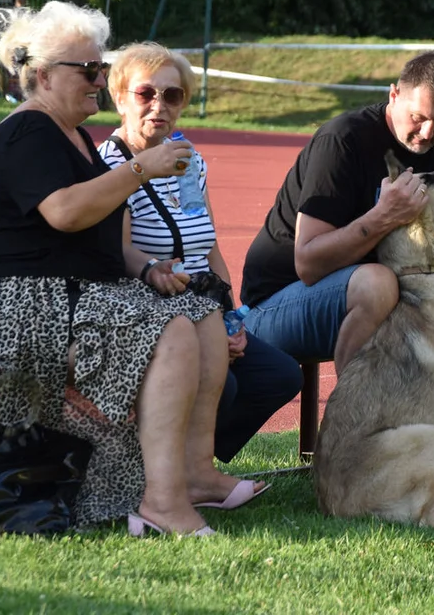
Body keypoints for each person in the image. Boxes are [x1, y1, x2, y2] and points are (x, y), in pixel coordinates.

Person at [0, 1, 267, 537]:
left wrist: (147, 274)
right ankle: (164, 502)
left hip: (71, 296)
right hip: (20, 303)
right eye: (90, 71)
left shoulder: (74, 138)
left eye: (101, 68)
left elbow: (106, 239)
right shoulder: (27, 132)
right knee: (167, 328)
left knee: (196, 311)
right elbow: (67, 212)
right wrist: (141, 167)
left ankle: (191, 476)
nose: (100, 79)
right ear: (45, 75)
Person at [240, 50, 434, 414]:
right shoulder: (343, 140)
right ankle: (359, 440)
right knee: (379, 283)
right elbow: (308, 263)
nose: (428, 133)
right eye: (418, 117)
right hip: (280, 306)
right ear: (394, 95)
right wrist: (384, 217)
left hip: (396, 288)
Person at [97, 42, 303, 463]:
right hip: (146, 312)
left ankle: (191, 460)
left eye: (172, 95)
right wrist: (157, 273)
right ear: (120, 97)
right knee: (222, 384)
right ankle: (164, 466)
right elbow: (115, 253)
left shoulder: (190, 161)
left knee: (279, 375)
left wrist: (229, 320)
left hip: (203, 308)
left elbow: (207, 245)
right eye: (146, 93)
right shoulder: (109, 166)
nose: (160, 105)